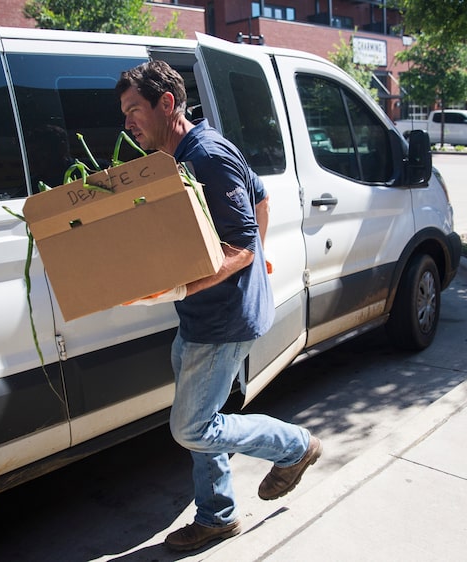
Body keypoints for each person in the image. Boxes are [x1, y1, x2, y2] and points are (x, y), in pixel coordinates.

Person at [116, 60, 322, 552]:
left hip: (221, 320)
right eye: (123, 113)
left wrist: (187, 287)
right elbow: (261, 197)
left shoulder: (206, 155)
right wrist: (250, 270)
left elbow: (243, 243)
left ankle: (296, 447)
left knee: (192, 426)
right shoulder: (184, 153)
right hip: (203, 316)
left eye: (133, 110)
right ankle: (217, 515)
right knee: (205, 418)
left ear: (167, 104)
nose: (127, 122)